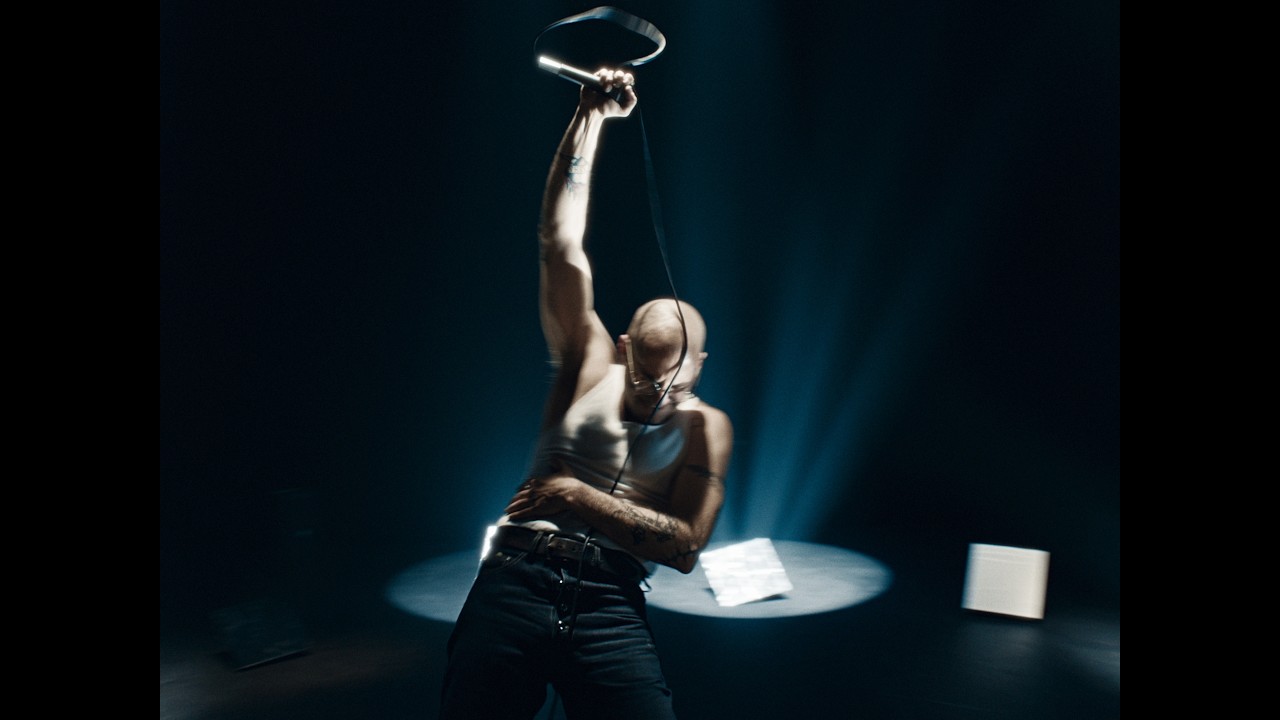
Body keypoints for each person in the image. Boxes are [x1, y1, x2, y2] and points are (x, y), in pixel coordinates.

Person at [439, 68, 733, 720]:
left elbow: (685, 548)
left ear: (701, 366)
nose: (659, 393)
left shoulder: (707, 426)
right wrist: (590, 117)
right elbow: (559, 244)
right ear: (624, 348)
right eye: (646, 375)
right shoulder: (588, 360)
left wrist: (573, 493)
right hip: (516, 580)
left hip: (609, 602)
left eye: (676, 381)